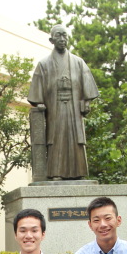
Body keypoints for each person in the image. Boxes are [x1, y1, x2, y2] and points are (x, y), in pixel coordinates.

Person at [27, 24, 99, 180]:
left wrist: (86, 101)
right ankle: (56, 173)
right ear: (51, 40)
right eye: (58, 35)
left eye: (64, 35)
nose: (62, 39)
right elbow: (36, 91)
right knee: (56, 139)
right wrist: (39, 102)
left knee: (76, 139)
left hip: (74, 107)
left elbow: (87, 86)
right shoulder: (44, 64)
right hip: (55, 107)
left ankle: (78, 173)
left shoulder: (78, 62)